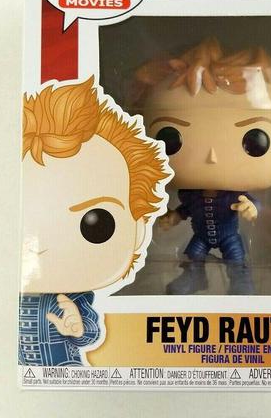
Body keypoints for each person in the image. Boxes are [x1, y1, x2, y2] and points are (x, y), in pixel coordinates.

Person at [133, 38, 271, 294]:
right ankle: (194, 279)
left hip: (229, 236)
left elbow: (254, 206)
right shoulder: (190, 196)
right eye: (170, 139)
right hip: (201, 236)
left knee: (236, 260)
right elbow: (185, 210)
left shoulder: (235, 196)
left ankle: (242, 284)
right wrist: (173, 216)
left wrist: (252, 209)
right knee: (193, 256)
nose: (212, 156)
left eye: (255, 140)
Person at [19, 77, 171, 365]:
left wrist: (76, 327)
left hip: (63, 367)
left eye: (97, 225)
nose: (44, 247)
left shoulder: (74, 297)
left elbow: (91, 332)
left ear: (139, 229)